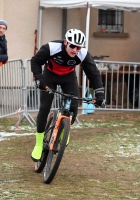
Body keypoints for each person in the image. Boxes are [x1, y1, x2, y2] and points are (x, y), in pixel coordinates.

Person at [30, 29, 106, 161]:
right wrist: (38, 79)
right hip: (50, 76)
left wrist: (100, 93)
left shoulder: (82, 54)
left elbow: (93, 73)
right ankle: (38, 143)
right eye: (72, 46)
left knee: (73, 108)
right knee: (44, 108)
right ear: (65, 42)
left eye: (78, 47)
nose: (75, 50)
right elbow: (35, 61)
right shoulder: (51, 47)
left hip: (68, 78)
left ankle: (64, 130)